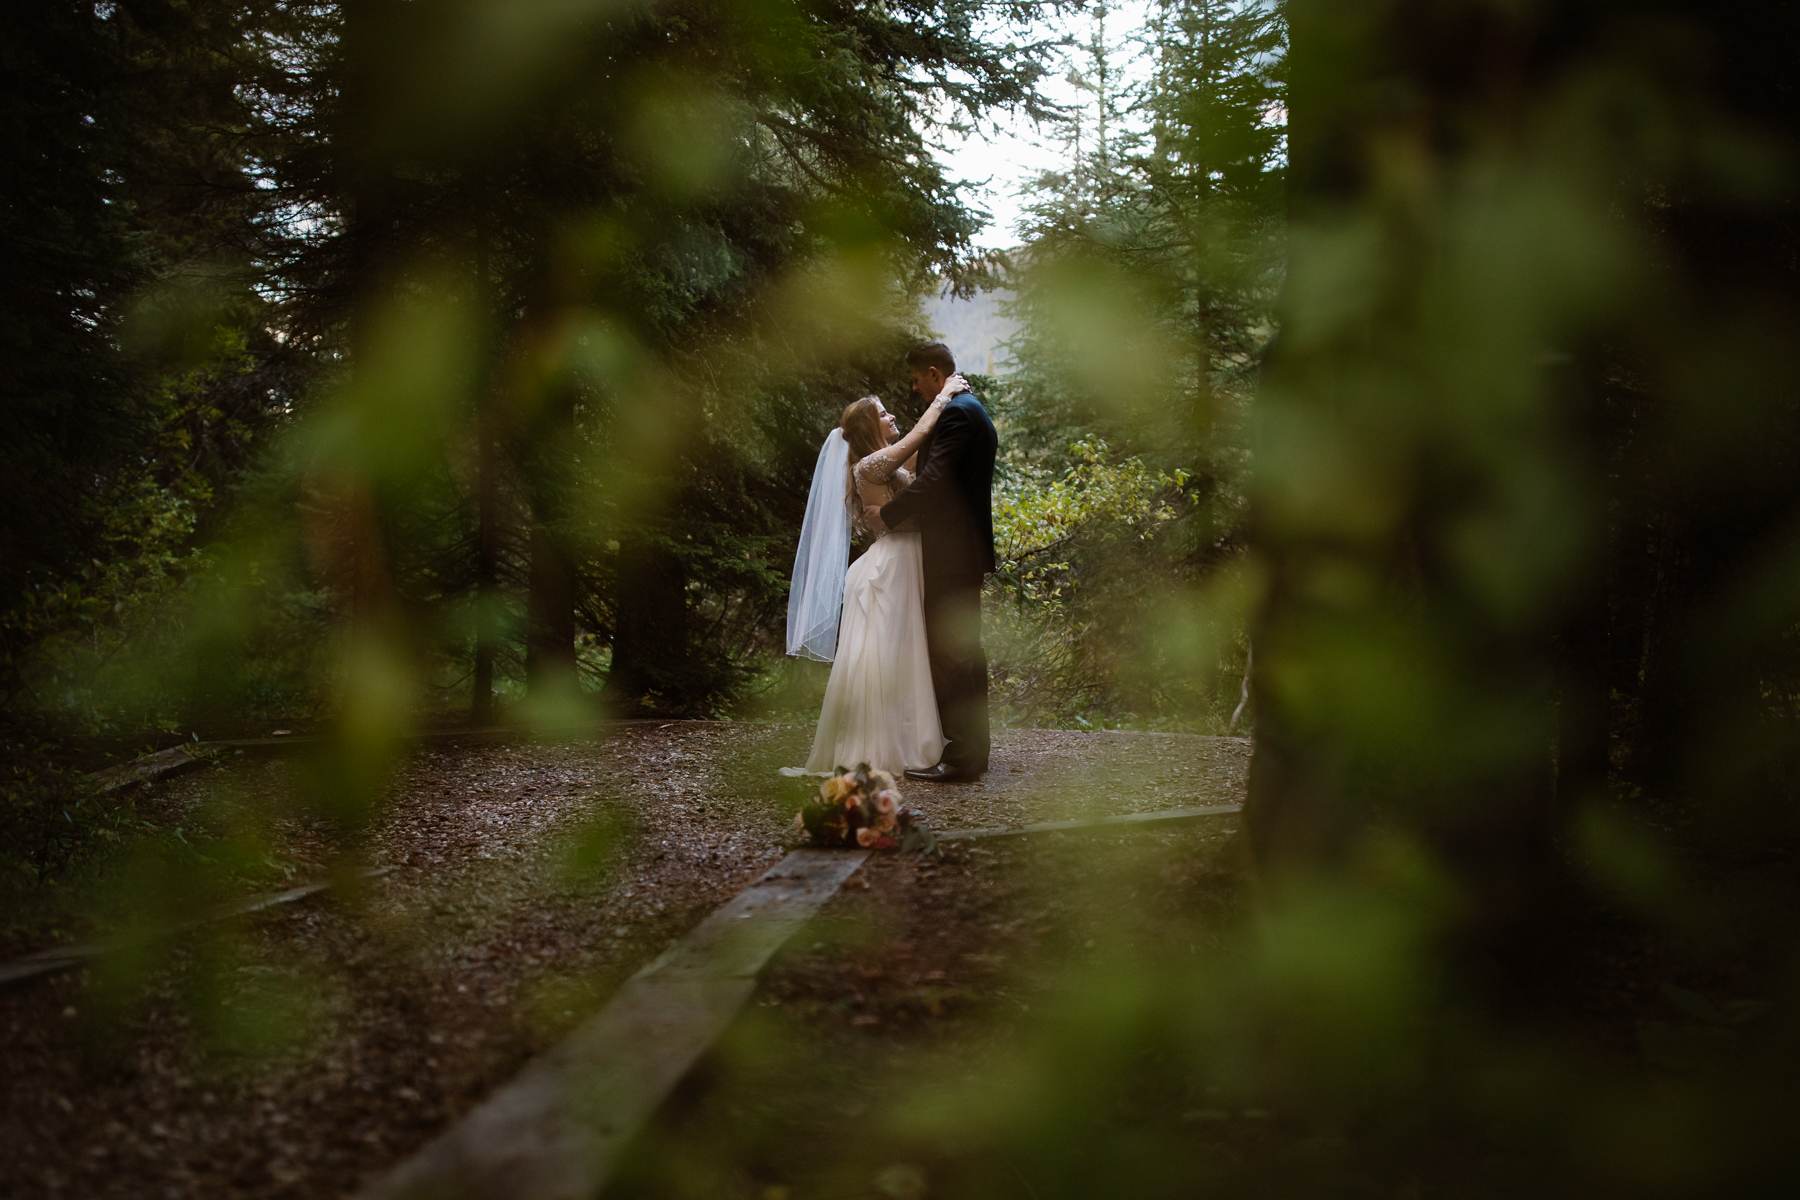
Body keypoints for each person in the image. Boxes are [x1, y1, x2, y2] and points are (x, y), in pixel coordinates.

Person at [785, 371, 971, 775]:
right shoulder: (871, 464)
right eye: (883, 414)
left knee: (909, 652)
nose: (891, 417)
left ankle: (911, 738)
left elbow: (928, 463)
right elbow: (920, 437)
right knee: (892, 654)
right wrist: (944, 395)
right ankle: (886, 746)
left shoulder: (885, 461)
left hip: (908, 557)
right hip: (892, 564)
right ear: (870, 427)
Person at [863, 342, 997, 783]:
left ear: (935, 374)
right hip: (963, 551)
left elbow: (936, 481)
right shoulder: (969, 408)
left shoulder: (957, 413)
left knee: (952, 654)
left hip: (953, 552)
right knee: (965, 652)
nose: (915, 387)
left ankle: (962, 758)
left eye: (918, 379)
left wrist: (888, 515)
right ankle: (971, 751)